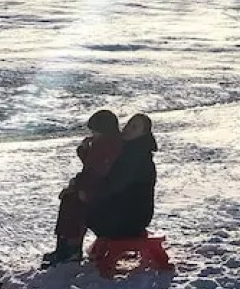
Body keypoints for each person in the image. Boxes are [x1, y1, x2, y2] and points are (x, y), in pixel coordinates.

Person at [41, 110, 159, 267]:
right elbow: (101, 172)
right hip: (124, 212)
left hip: (129, 220)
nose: (128, 129)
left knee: (77, 204)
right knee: (73, 200)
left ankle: (70, 251)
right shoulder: (128, 150)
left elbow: (114, 185)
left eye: (135, 127)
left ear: (143, 133)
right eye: (129, 124)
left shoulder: (137, 157)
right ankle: (67, 249)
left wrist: (87, 194)